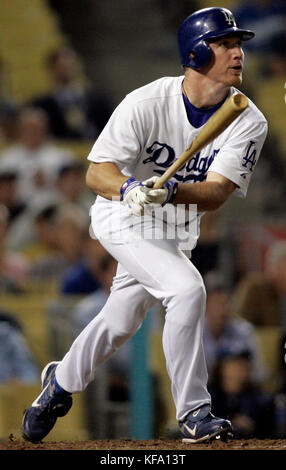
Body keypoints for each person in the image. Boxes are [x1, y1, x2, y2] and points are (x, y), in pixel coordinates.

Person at [22, 7, 268, 444]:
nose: (237, 53)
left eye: (238, 45)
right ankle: (194, 411)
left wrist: (169, 193)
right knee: (187, 289)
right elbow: (97, 172)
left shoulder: (247, 119)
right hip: (121, 214)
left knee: (120, 321)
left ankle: (59, 383)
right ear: (195, 53)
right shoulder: (146, 101)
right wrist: (132, 188)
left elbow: (216, 192)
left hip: (172, 225)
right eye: (225, 44)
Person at [203, 282, 267, 385]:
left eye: (226, 303)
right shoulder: (194, 334)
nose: (222, 310)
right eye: (216, 304)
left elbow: (258, 373)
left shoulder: (244, 331)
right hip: (207, 391)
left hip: (241, 392)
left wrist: (241, 371)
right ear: (205, 307)